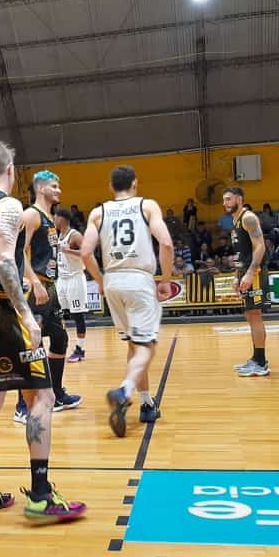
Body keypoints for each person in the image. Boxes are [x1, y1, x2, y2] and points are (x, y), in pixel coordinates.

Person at [0, 139, 87, 523]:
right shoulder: (9, 206)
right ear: (10, 172)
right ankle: (42, 496)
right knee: (42, 397)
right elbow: (4, 261)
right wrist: (25, 312)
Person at [81, 166, 174, 437]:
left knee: (134, 346)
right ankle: (125, 391)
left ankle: (146, 404)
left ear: (111, 187)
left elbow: (86, 252)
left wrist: (100, 281)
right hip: (139, 280)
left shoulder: (99, 212)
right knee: (147, 348)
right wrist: (166, 280)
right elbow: (166, 244)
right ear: (135, 183)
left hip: (113, 281)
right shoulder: (147, 206)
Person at [14, 171, 82, 423]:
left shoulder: (49, 218)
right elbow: (16, 252)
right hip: (35, 287)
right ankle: (22, 404)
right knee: (31, 344)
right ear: (41, 189)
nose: (59, 190)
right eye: (55, 186)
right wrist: (33, 280)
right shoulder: (30, 215)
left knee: (60, 338)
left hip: (50, 286)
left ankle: (56, 393)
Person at [224, 187, 270, 377]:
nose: (225, 203)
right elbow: (239, 252)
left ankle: (261, 363)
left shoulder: (248, 217)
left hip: (255, 272)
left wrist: (251, 272)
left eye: (228, 199)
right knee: (250, 315)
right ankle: (256, 358)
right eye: (224, 200)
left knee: (255, 314)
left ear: (239, 199)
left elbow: (260, 246)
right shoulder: (234, 222)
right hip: (245, 271)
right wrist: (237, 274)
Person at [54, 208, 89, 363]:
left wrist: (69, 251)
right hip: (62, 279)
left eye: (55, 218)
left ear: (62, 220)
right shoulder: (58, 235)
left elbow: (87, 253)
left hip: (75, 278)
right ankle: (60, 345)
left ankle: (80, 350)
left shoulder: (74, 235)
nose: (54, 220)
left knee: (77, 315)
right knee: (57, 313)